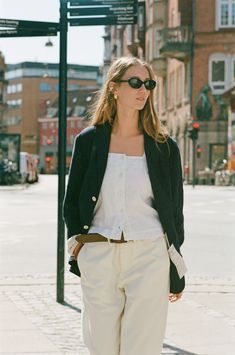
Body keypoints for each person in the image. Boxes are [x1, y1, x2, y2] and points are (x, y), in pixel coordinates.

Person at [63, 56, 185, 355]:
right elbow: (72, 202)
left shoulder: (164, 146)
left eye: (148, 84)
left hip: (148, 254)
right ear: (114, 88)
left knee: (142, 348)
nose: (143, 90)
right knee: (101, 346)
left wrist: (175, 265)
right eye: (135, 83)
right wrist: (78, 245)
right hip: (100, 253)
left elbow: (174, 211)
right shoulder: (89, 141)